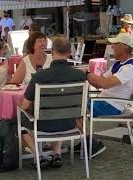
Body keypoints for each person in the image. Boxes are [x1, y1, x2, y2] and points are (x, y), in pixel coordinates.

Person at [20, 36, 86, 168]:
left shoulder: (40, 76)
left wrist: (18, 107)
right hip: (69, 124)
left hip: (43, 126)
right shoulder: (79, 76)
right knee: (63, 110)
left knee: (20, 119)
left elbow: (25, 105)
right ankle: (56, 153)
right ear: (69, 53)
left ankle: (38, 155)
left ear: (52, 51)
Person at [86, 33, 133, 117]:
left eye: (115, 44)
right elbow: (99, 82)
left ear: (125, 46)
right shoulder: (118, 64)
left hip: (110, 107)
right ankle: (82, 129)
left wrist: (86, 74)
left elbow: (104, 84)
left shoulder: (129, 67)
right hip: (104, 103)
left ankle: (81, 129)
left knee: (74, 105)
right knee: (74, 102)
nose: (112, 47)